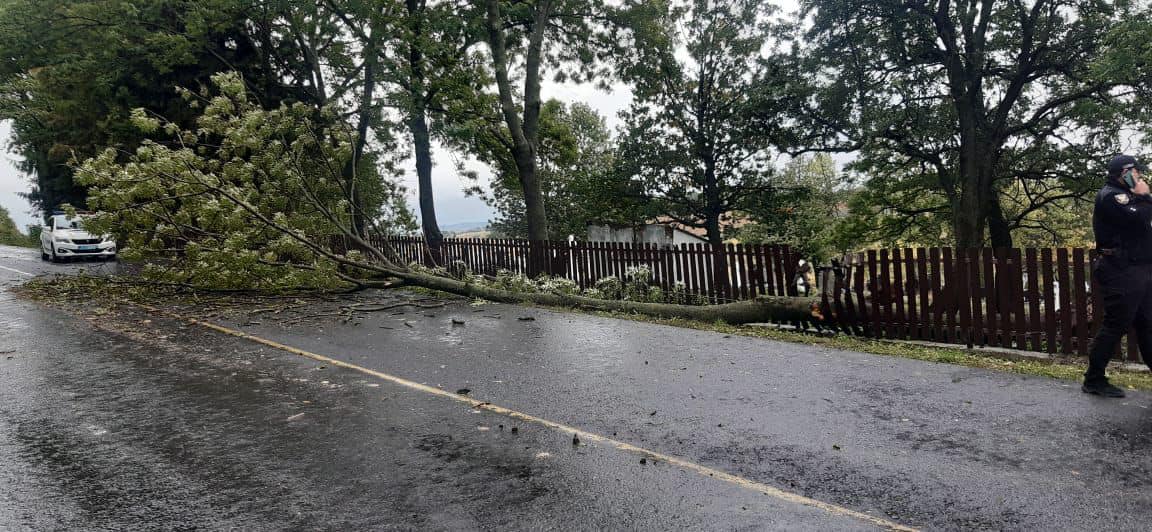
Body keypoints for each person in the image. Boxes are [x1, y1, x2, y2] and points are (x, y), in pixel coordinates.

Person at [1084, 154, 1152, 397]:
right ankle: (1094, 379)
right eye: (1134, 172)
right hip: (1120, 269)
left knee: (1147, 324)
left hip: (1139, 269)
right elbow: (1139, 217)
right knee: (1116, 324)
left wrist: (1143, 197)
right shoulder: (1111, 196)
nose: (1139, 176)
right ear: (1122, 174)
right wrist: (1145, 196)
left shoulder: (1131, 196)